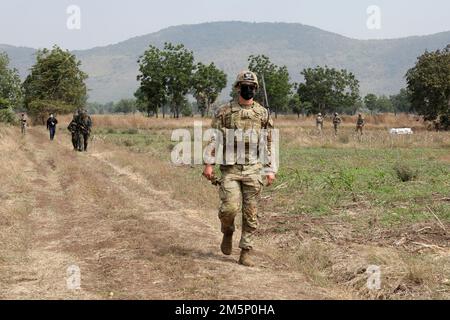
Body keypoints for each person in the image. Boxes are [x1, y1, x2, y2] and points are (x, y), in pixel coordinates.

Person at [203, 71, 276, 267]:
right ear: (237, 88)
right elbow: (213, 138)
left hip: (254, 168)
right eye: (245, 85)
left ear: (256, 89)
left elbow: (269, 142)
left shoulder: (263, 113)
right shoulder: (224, 112)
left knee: (251, 213)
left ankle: (246, 251)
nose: (248, 89)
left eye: (252, 87)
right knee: (229, 209)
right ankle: (227, 231)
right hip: (230, 169)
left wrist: (270, 168)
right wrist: (209, 164)